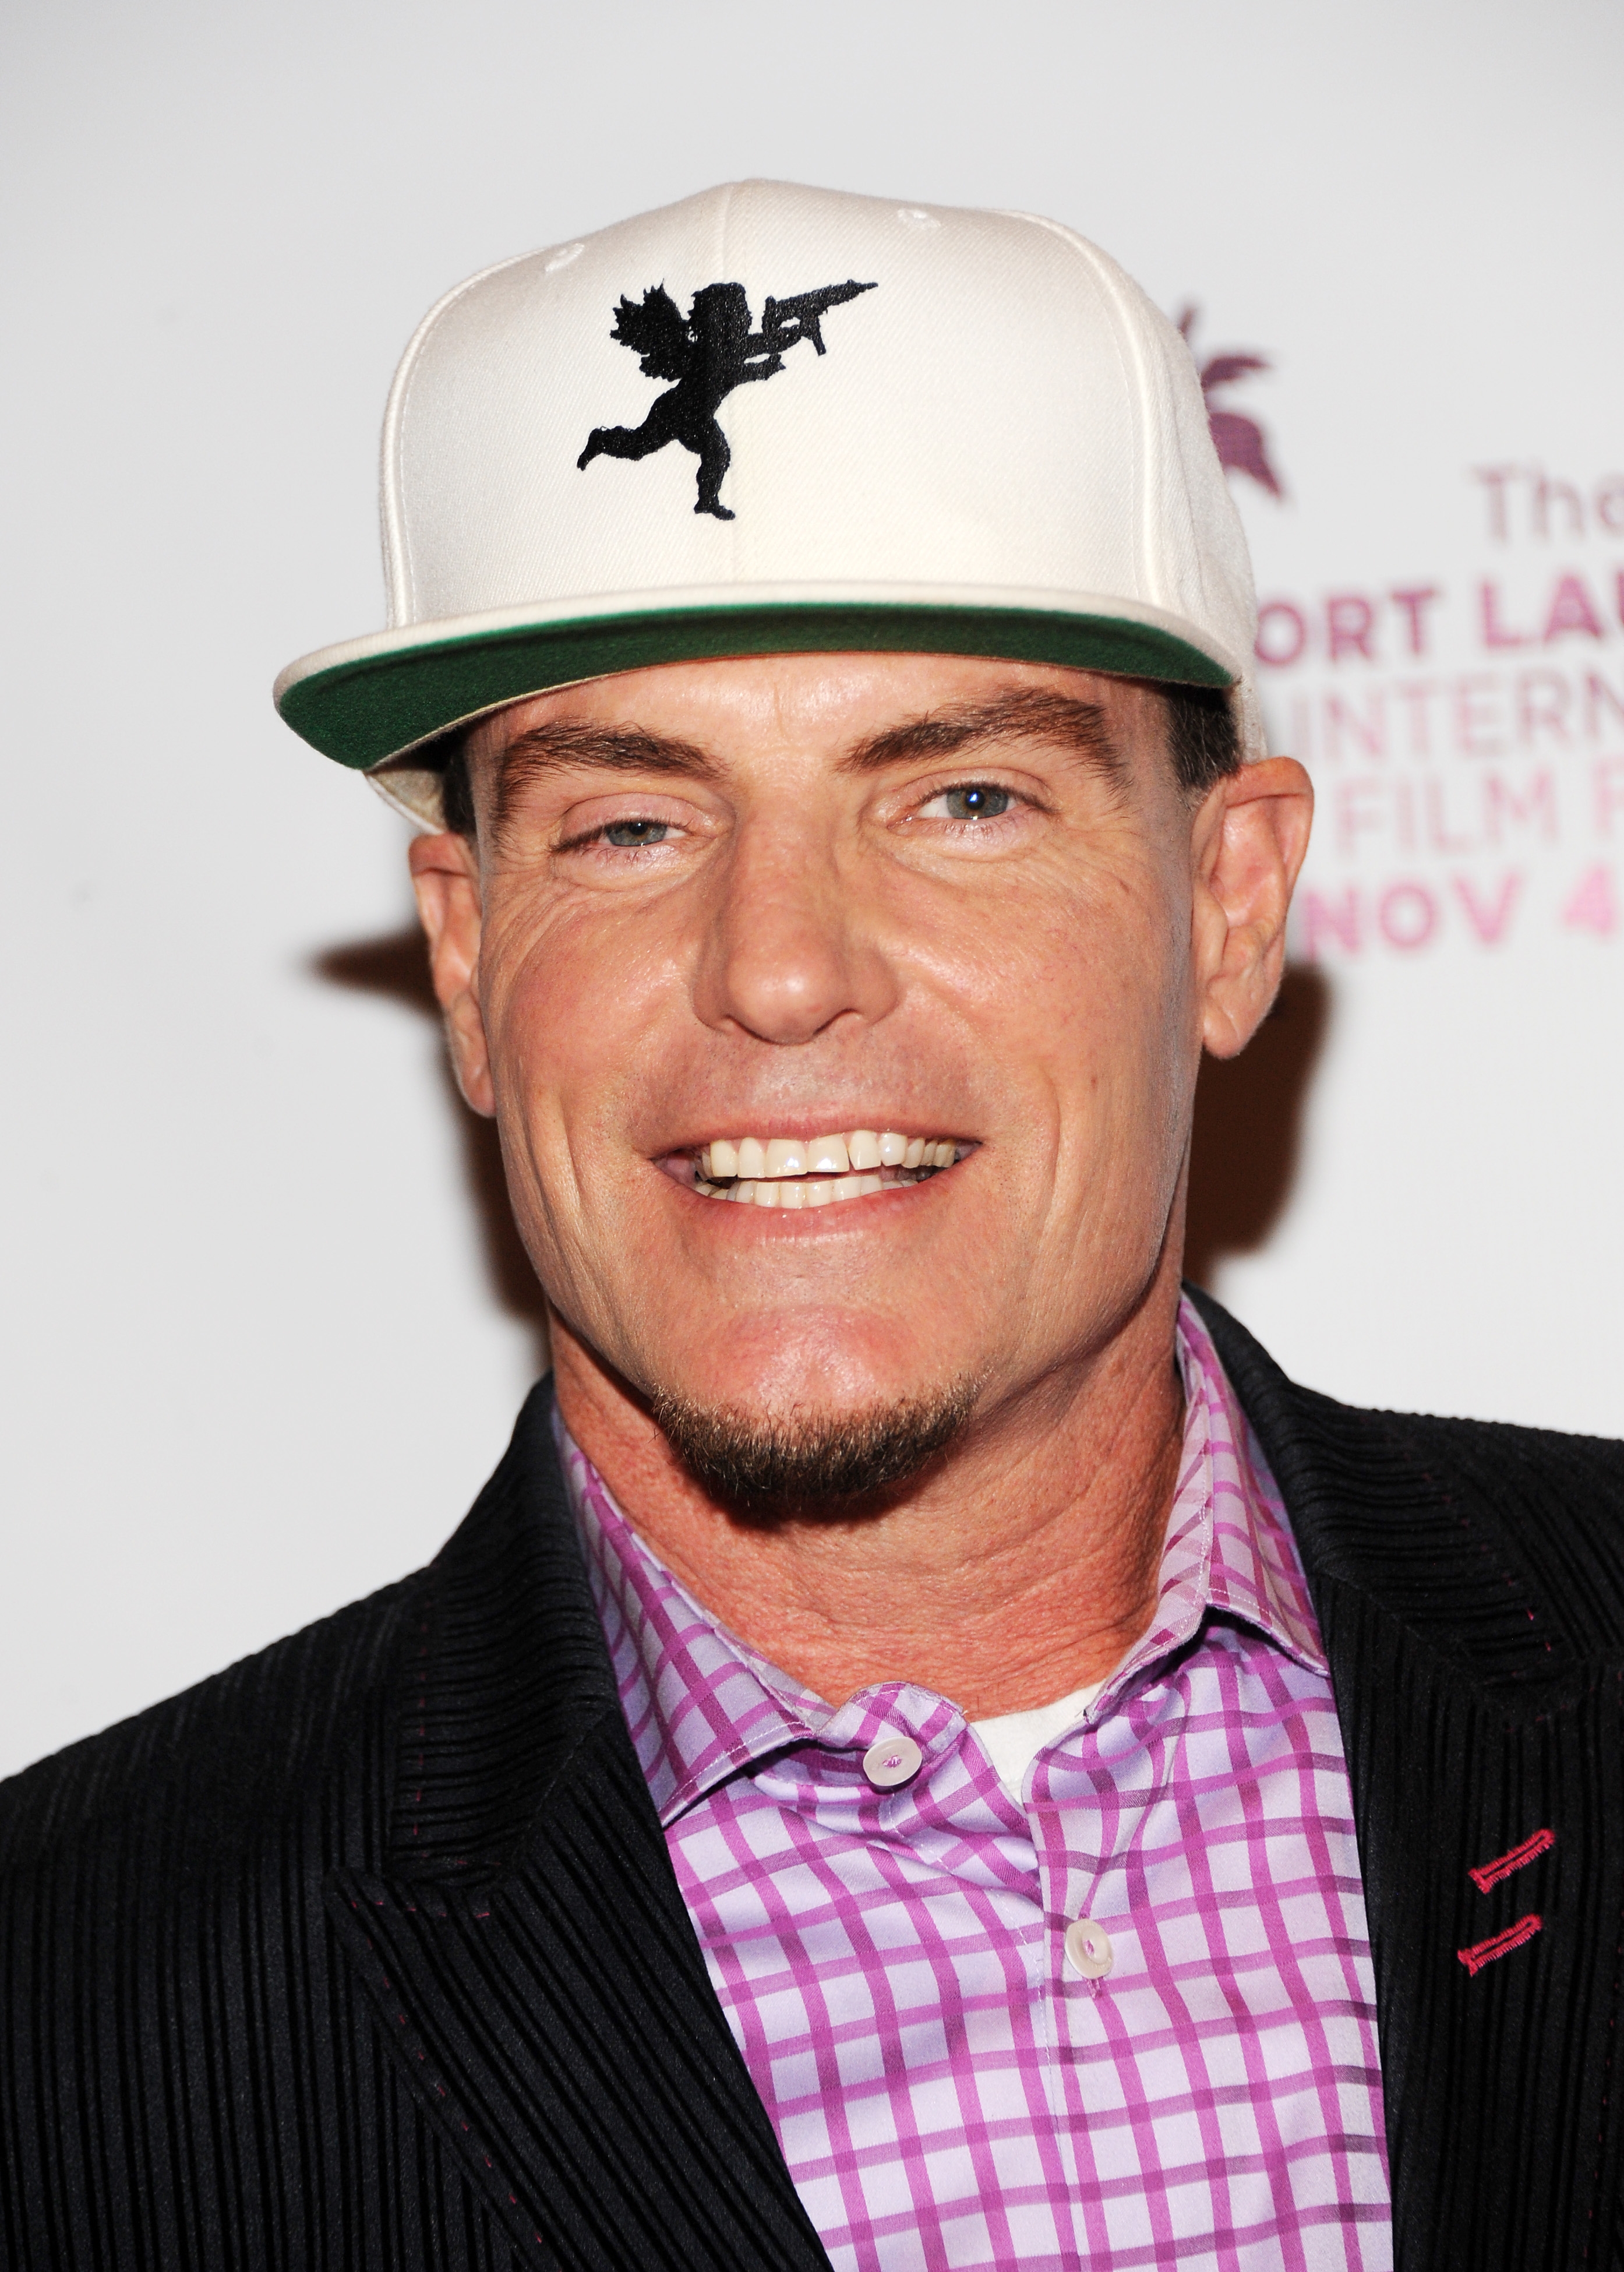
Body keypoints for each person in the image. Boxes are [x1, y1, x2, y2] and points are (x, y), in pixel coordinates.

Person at [1, 181, 1619, 2272]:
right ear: (469, 961)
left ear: (1228, 908)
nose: (775, 969)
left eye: (961, 799)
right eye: (630, 822)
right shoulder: (64, 2011)